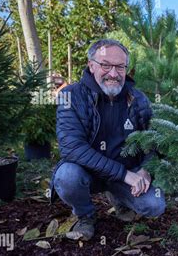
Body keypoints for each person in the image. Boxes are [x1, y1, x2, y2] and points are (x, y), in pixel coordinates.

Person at [49, 39, 166, 241]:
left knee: (155, 206)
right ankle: (85, 215)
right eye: (106, 65)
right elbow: (72, 148)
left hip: (127, 171)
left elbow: (152, 142)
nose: (113, 73)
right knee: (67, 176)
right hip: (89, 172)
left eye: (120, 66)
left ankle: (118, 198)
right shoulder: (71, 96)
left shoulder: (138, 99)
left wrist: (146, 170)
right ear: (91, 65)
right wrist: (124, 175)